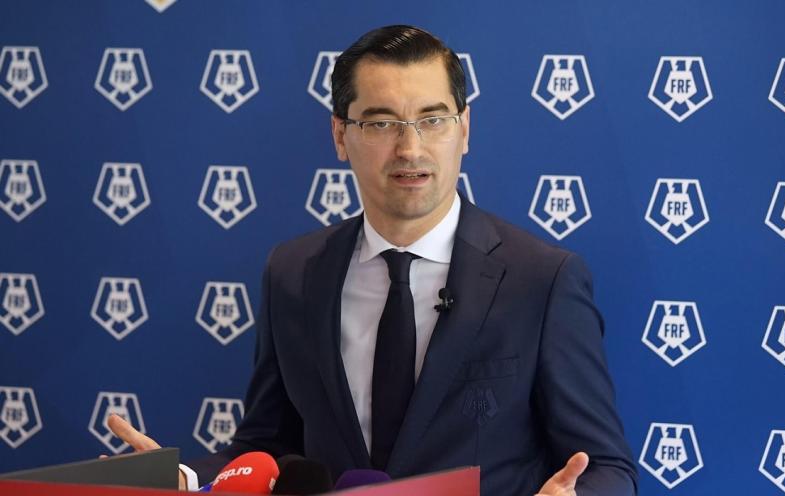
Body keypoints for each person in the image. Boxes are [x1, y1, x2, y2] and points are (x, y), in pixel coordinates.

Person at [107, 25, 637, 495]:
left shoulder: (541, 280)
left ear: (464, 129)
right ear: (340, 135)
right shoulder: (292, 273)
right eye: (382, 124)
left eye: (433, 119)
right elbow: (266, 445)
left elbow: (606, 467)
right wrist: (183, 479)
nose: (411, 148)